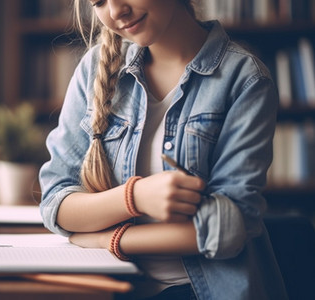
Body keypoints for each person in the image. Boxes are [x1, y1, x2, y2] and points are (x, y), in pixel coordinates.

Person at [39, 0, 288, 299]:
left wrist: (109, 239)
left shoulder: (245, 79)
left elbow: (226, 229)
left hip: (202, 291)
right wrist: (135, 197)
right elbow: (56, 202)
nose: (116, 11)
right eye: (99, 2)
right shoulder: (94, 70)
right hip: (110, 288)